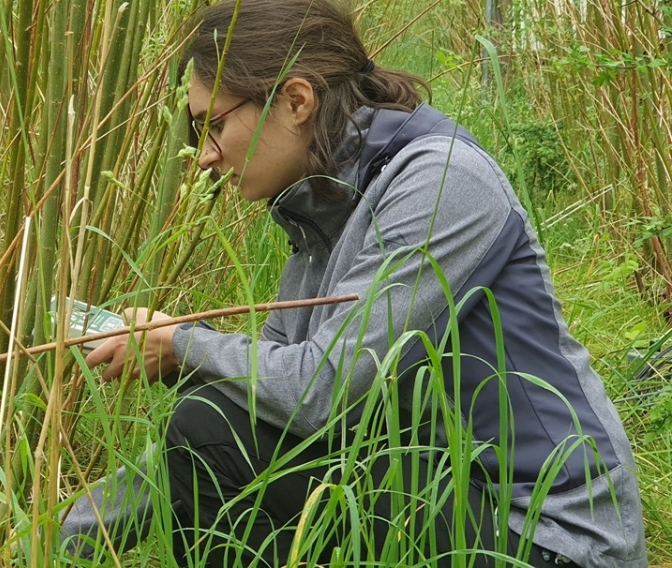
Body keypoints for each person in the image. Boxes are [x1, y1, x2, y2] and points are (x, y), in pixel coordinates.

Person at [60, 0, 647, 567]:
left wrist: (182, 343)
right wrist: (43, 539)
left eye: (212, 126)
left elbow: (324, 393)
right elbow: (258, 416)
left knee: (208, 418)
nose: (205, 157)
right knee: (216, 418)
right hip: (444, 500)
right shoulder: (323, 212)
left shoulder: (442, 182)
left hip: (545, 535)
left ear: (296, 100)